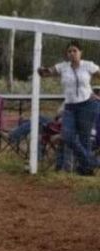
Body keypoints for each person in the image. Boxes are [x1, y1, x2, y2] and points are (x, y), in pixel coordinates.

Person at [38, 41, 100, 175]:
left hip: (87, 104)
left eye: (74, 51)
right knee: (67, 136)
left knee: (84, 138)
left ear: (80, 52)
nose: (72, 53)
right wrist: (42, 70)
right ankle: (91, 162)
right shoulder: (63, 67)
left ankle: (85, 170)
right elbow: (46, 73)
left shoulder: (88, 65)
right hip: (70, 106)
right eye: (69, 51)